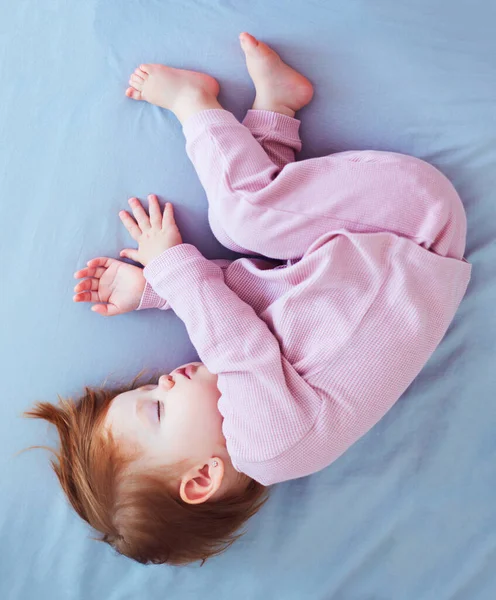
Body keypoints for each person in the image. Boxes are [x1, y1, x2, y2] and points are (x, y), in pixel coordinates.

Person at [26, 32, 471, 566]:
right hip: (409, 225)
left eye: (149, 387)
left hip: (374, 246)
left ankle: (278, 106)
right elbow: (233, 340)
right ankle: (196, 103)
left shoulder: (271, 423)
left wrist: (152, 291)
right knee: (238, 217)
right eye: (158, 409)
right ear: (202, 478)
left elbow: (249, 298)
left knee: (252, 237)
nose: (163, 378)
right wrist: (167, 264)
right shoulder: (269, 446)